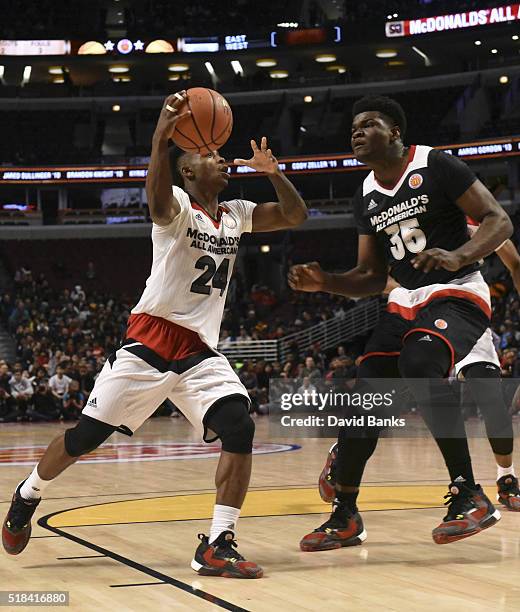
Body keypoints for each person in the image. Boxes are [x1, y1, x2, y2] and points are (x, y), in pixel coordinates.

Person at [2, 91, 307, 579]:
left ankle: (218, 542)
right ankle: (28, 492)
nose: (221, 158)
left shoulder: (236, 213)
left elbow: (295, 216)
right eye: (208, 155)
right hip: (150, 341)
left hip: (200, 352)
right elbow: (156, 197)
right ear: (187, 170)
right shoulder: (178, 207)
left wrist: (273, 174)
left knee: (240, 427)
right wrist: (162, 135)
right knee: (84, 438)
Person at [289, 95, 513, 550]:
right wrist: (326, 282)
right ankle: (345, 514)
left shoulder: (435, 164)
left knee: (422, 358)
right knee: (367, 392)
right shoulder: (365, 195)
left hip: (460, 290)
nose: (356, 131)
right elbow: (371, 277)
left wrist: (459, 254)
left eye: (368, 124)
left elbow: (499, 220)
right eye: (353, 126)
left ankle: (469, 493)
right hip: (405, 300)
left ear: (394, 132)